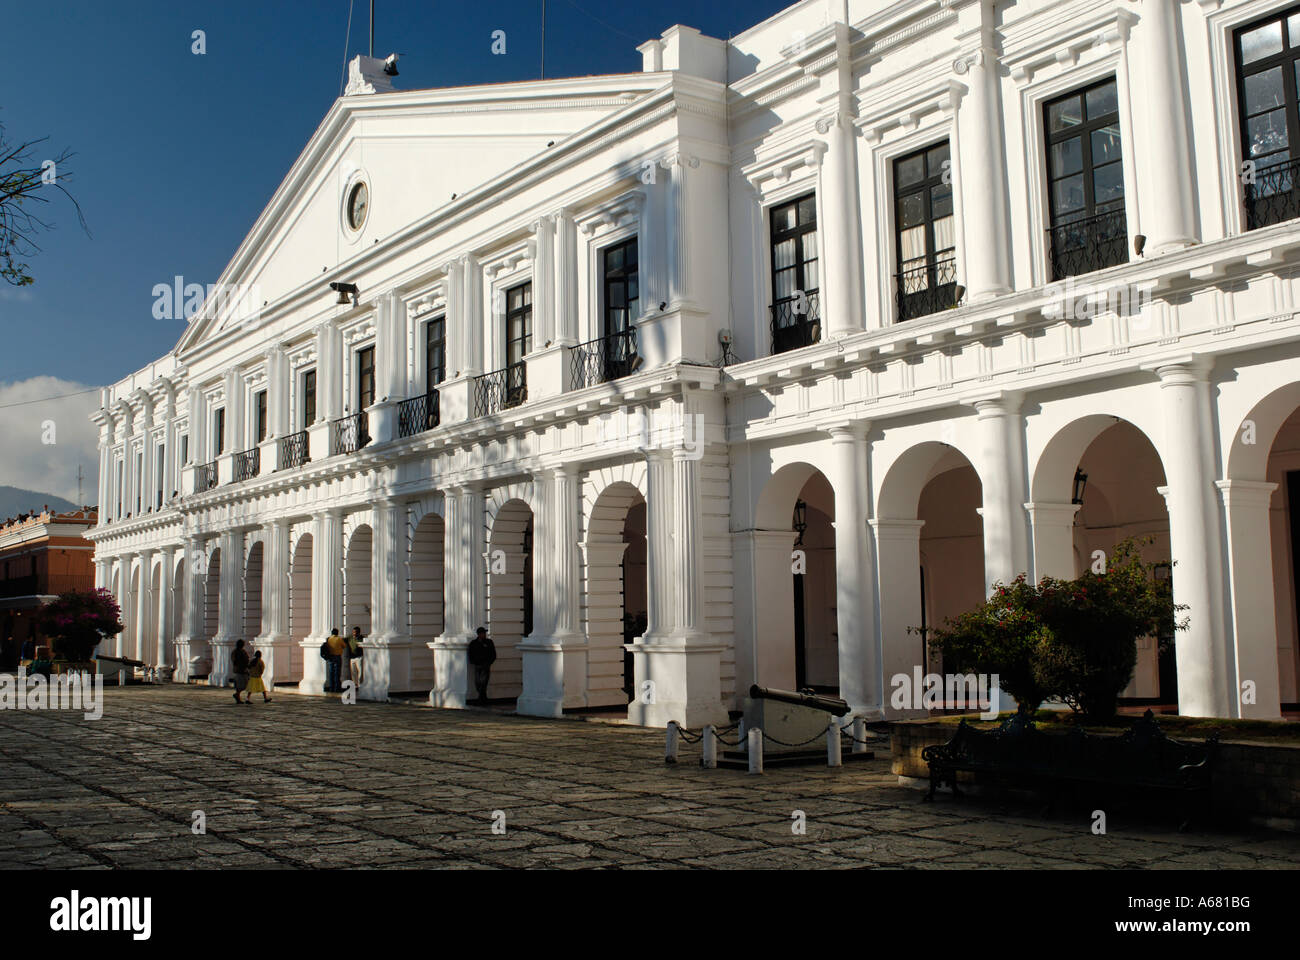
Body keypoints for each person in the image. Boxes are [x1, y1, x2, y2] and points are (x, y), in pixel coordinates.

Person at [467, 627, 496, 705]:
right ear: (479, 634)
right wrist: (474, 662)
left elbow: (493, 654)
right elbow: (471, 653)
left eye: (484, 633)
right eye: (482, 633)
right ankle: (483, 698)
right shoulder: (474, 643)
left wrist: (489, 662)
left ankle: (482, 699)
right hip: (478, 665)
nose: (484, 635)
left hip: (486, 665)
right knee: (478, 683)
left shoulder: (489, 642)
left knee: (483, 683)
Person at [325, 628, 346, 693]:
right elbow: (344, 646)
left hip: (330, 657)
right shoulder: (339, 639)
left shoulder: (329, 639)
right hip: (337, 657)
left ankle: (331, 687)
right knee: (337, 672)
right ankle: (337, 688)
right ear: (337, 633)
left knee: (331, 672)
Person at [231, 639, 250, 704]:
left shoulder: (239, 651)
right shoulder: (238, 652)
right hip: (240, 670)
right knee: (243, 685)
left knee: (240, 685)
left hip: (240, 670)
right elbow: (243, 660)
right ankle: (237, 695)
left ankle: (238, 696)